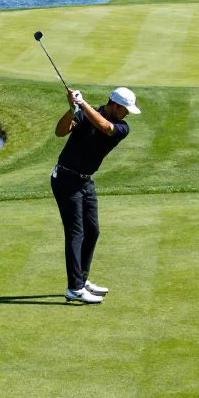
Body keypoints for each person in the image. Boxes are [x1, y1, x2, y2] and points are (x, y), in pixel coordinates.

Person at [52, 86, 140, 304]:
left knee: (93, 231)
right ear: (115, 105)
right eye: (125, 109)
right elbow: (60, 132)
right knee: (76, 232)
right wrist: (72, 108)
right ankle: (74, 288)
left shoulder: (121, 127)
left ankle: (81, 279)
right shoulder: (83, 113)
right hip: (65, 178)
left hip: (86, 181)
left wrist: (82, 104)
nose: (127, 114)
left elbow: (104, 127)